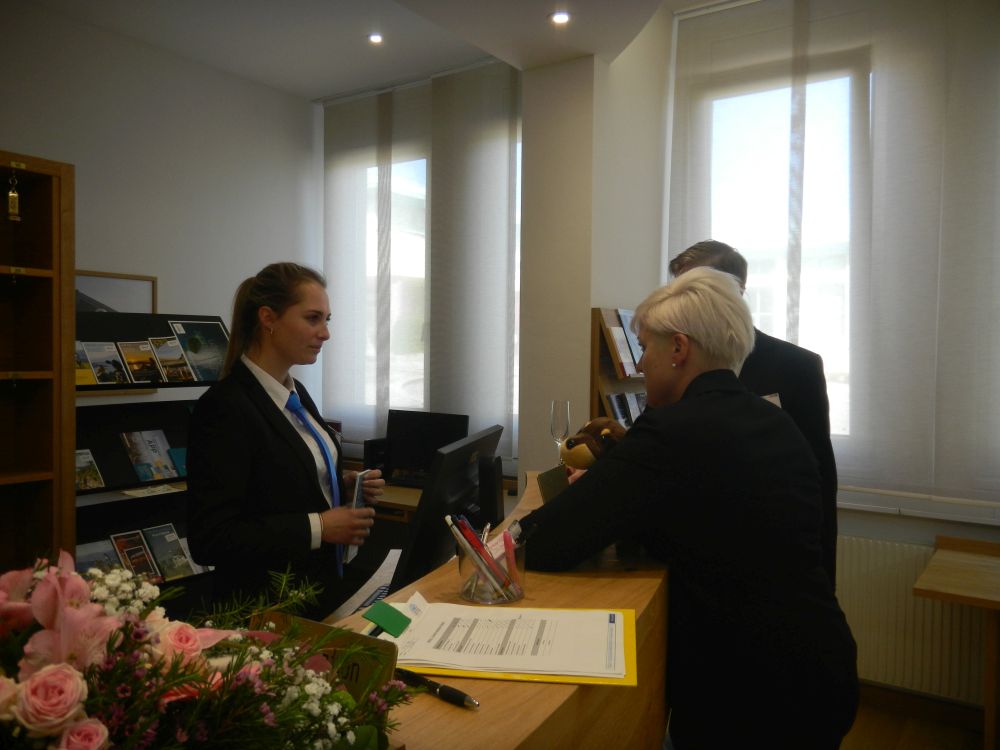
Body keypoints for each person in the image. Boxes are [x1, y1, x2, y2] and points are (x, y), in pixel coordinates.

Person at [521, 267, 858, 749]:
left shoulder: (670, 431)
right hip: (818, 667)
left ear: (679, 348)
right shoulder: (773, 420)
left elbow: (543, 542)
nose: (640, 364)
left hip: (749, 698)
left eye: (645, 348)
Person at [187, 262, 384, 620]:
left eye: (327, 319)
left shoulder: (296, 393)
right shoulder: (224, 407)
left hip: (318, 592)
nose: (325, 333)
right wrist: (320, 526)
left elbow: (276, 482)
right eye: (313, 318)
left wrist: (337, 484)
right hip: (267, 610)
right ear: (268, 318)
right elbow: (211, 537)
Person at [669, 239, 840, 589]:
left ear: (737, 291)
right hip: (695, 559)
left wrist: (823, 573)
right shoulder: (674, 364)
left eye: (695, 290)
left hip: (773, 561)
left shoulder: (797, 367)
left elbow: (819, 476)